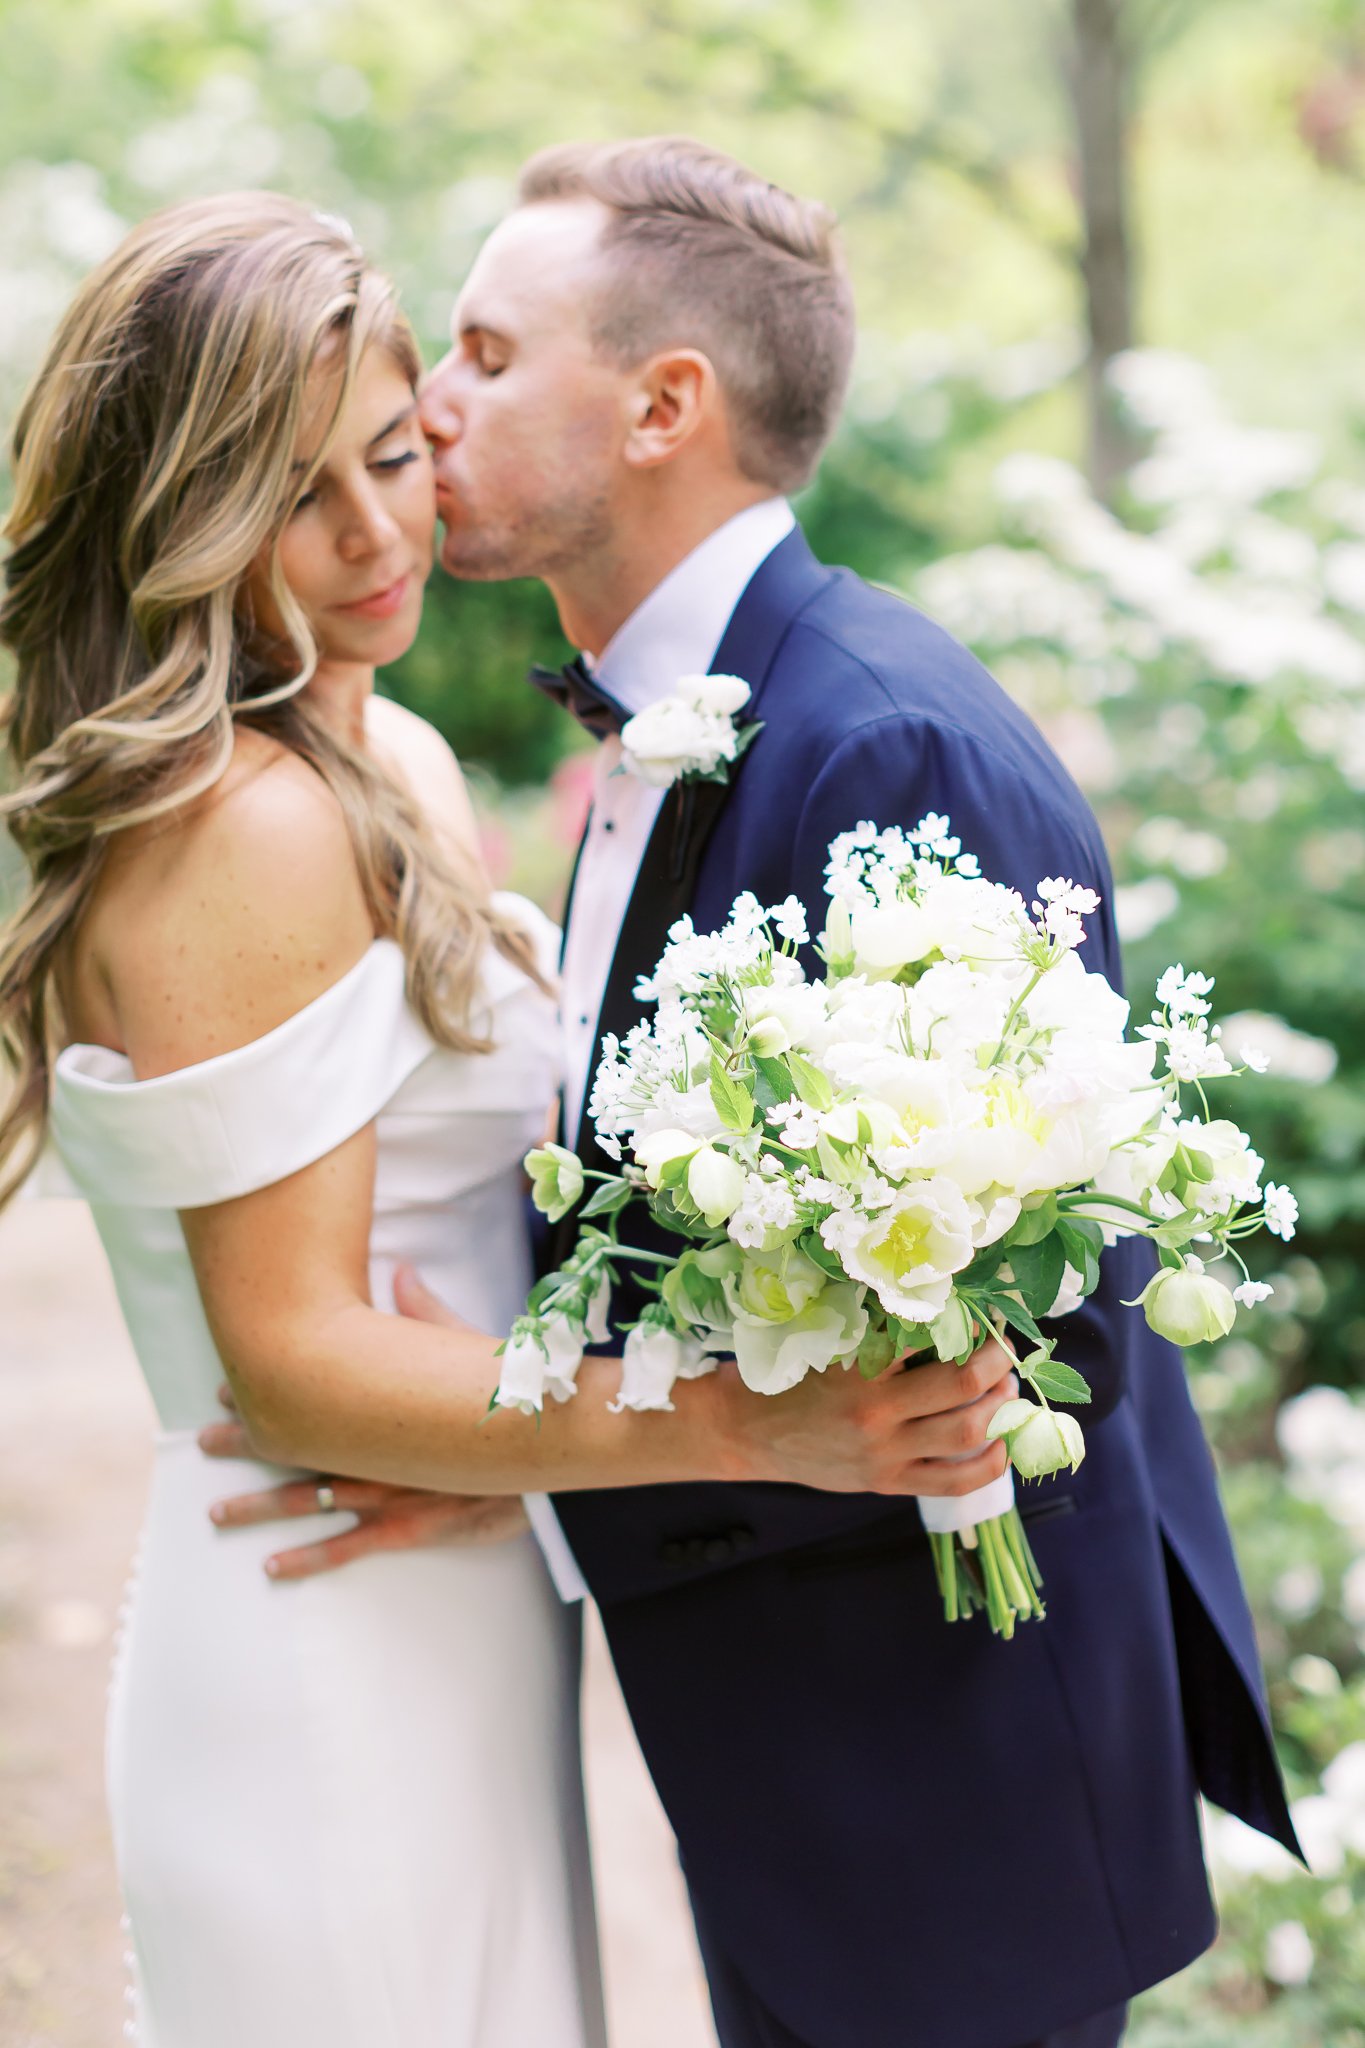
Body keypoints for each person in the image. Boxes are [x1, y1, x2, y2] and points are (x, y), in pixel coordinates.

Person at [211, 139, 1300, 2048]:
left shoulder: (878, 747)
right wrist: (524, 1456)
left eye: (477, 351)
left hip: (938, 1812)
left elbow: (1000, 1353)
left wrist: (541, 1487)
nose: (423, 407)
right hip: (810, 1787)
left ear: (664, 405)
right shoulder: (686, 714)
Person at [0, 190, 1017, 2048]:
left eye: (393, 454)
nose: (375, 532)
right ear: (182, 522)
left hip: (455, 1605)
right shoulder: (248, 826)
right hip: (325, 1636)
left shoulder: (376, 755)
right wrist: (750, 1423)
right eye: (291, 497)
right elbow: (294, 1362)